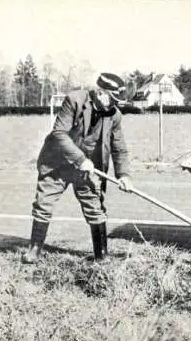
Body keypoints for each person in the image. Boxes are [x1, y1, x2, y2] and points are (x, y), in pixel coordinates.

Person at [21, 72, 133, 264]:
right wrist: (80, 158)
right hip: (57, 163)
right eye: (112, 99)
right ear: (100, 92)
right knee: (43, 204)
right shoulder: (74, 100)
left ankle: (101, 256)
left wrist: (124, 175)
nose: (114, 104)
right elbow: (59, 134)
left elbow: (119, 147)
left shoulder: (114, 115)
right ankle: (34, 250)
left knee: (95, 206)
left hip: (87, 168)